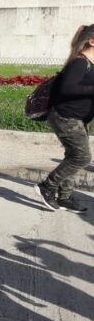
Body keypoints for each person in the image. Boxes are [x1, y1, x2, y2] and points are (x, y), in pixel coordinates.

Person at [35, 24, 94, 213]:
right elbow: (68, 89)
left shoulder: (90, 64)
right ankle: (46, 187)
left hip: (77, 118)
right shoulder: (79, 62)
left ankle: (65, 197)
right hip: (65, 117)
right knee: (81, 157)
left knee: (73, 156)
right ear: (92, 42)